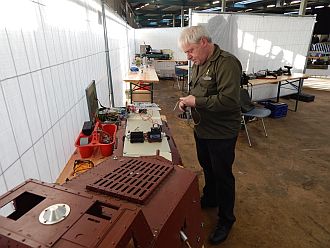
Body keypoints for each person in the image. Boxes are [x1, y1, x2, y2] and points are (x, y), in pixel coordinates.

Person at [178, 25, 242, 245]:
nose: (188, 56)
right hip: (202, 128)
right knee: (208, 167)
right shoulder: (199, 63)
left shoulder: (227, 63)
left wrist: (196, 101)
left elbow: (230, 100)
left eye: (191, 50)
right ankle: (211, 198)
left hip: (221, 133)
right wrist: (187, 101)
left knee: (223, 175)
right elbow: (198, 91)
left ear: (204, 42)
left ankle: (226, 219)